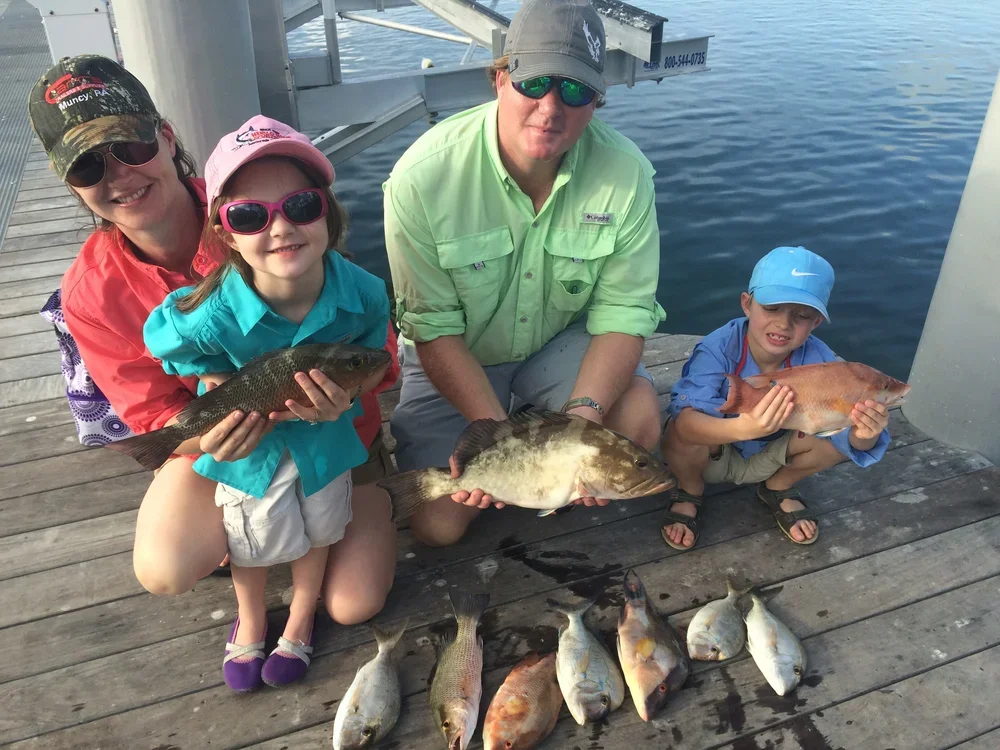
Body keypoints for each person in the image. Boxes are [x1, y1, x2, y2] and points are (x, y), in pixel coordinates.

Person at [26, 56, 399, 622]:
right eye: (87, 167)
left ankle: (313, 515)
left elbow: (369, 350)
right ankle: (249, 533)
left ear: (167, 138)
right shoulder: (91, 294)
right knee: (165, 567)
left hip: (336, 436)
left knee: (354, 604)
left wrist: (344, 398)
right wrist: (211, 438)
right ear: (70, 187)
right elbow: (156, 420)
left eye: (130, 147)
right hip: (226, 443)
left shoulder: (260, 200)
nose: (121, 175)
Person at [383, 0, 665, 547]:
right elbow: (434, 328)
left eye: (576, 90)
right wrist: (496, 439)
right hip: (461, 354)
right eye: (534, 83)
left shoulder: (627, 177)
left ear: (597, 100)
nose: (552, 107)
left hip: (556, 344)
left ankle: (545, 483)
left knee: (638, 424)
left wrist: (585, 420)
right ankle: (528, 479)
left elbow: (624, 314)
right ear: (499, 77)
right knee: (438, 526)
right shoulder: (420, 179)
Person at [142, 115, 393, 691]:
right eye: (251, 215)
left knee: (323, 528)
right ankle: (251, 617)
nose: (279, 227)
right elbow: (162, 338)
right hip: (250, 450)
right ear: (226, 234)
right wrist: (206, 379)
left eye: (301, 206)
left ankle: (300, 616)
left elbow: (373, 365)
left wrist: (348, 399)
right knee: (249, 534)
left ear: (327, 212)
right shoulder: (210, 309)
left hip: (327, 442)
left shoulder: (366, 293)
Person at [660, 246, 892, 550]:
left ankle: (778, 485)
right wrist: (743, 429)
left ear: (816, 322)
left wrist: (864, 434)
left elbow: (853, 440)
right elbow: (686, 422)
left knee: (839, 433)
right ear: (747, 304)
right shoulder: (718, 348)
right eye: (772, 308)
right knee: (680, 430)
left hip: (772, 457)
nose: (784, 324)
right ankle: (690, 489)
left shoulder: (824, 364)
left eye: (802, 315)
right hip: (715, 456)